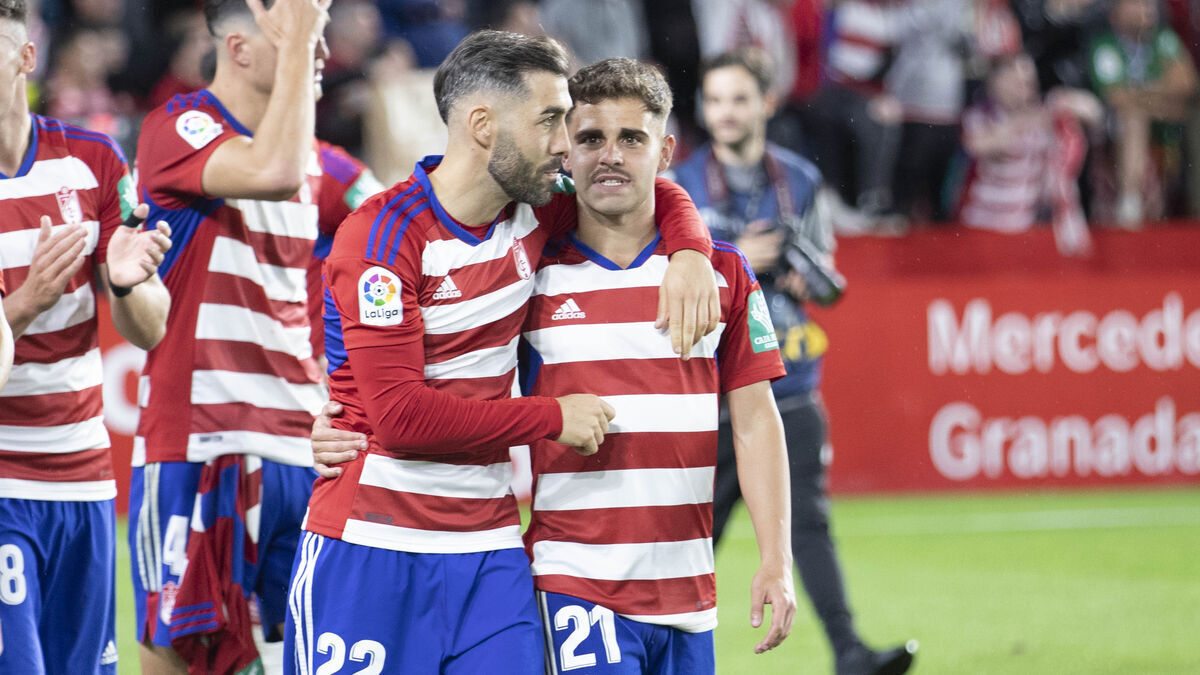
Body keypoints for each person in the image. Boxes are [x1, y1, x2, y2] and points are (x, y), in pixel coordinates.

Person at [285, 30, 718, 675]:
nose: (564, 143)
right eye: (550, 120)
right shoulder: (383, 237)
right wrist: (550, 419)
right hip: (372, 542)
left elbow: (645, 190)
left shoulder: (536, 213)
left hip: (489, 554)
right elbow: (402, 420)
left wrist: (690, 251)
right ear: (483, 125)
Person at [523, 57, 796, 673]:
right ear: (566, 149)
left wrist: (774, 558)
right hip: (576, 582)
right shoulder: (531, 271)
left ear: (665, 150)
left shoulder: (723, 272)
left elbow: (756, 423)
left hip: (689, 592)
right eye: (590, 138)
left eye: (631, 138)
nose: (610, 155)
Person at [670, 49, 918, 675]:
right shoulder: (680, 187)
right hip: (708, 387)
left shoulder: (800, 180)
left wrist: (808, 274)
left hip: (790, 377)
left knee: (807, 523)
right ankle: (654, 654)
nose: (725, 112)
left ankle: (850, 653)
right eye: (716, 100)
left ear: (766, 104)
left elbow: (829, 282)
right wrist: (742, 257)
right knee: (681, 536)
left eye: (738, 99)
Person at [127, 0, 343, 672]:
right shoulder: (179, 127)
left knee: (298, 655)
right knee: (182, 651)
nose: (322, 53)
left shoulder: (315, 157)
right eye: (304, 38)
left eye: (323, 37)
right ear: (241, 48)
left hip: (300, 447)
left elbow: (384, 199)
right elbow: (271, 171)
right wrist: (303, 19)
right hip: (202, 440)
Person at [0, 1, 173, 672]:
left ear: (25, 57)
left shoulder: (94, 157)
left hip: (87, 479)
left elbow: (149, 327)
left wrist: (128, 284)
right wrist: (23, 304)